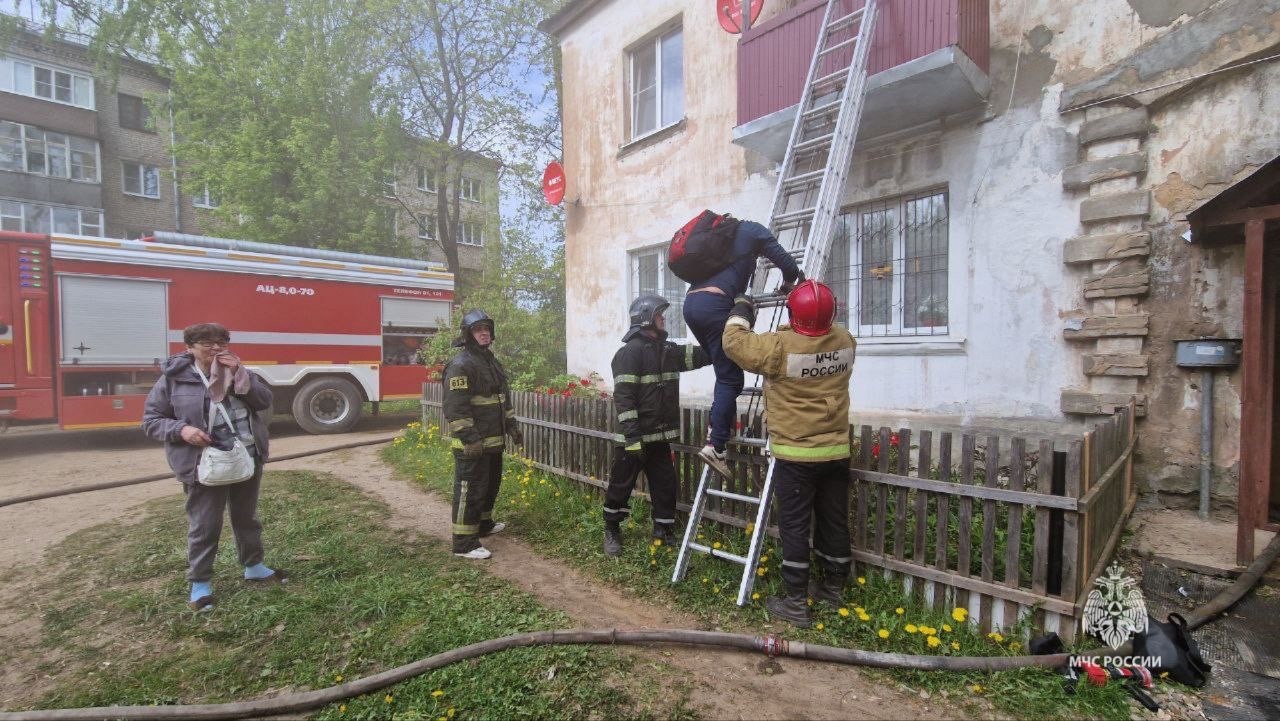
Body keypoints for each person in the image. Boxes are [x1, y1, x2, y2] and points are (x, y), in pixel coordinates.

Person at [721, 280, 856, 627]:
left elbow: (734, 343)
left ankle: (796, 601)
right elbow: (816, 342)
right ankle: (833, 588)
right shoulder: (845, 342)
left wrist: (741, 310)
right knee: (833, 520)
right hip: (836, 452)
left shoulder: (779, 347)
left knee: (796, 526)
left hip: (796, 455)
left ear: (795, 314)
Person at [142, 322, 280, 612]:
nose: (216, 348)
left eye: (222, 342)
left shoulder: (238, 371)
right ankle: (200, 584)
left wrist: (242, 375)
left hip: (245, 455)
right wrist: (182, 431)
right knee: (205, 523)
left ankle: (254, 566)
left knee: (246, 517)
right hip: (203, 461)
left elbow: (265, 402)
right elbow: (152, 420)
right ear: (190, 347)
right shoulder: (174, 379)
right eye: (207, 343)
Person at [683, 217, 803, 478]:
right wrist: (789, 284)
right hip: (715, 306)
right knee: (731, 379)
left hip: (692, 306)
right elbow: (788, 265)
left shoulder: (718, 240)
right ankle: (716, 445)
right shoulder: (754, 230)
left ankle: (716, 430)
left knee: (723, 371)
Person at [603, 295, 711, 556]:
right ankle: (611, 529)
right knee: (621, 484)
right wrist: (632, 438)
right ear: (647, 318)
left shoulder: (669, 351)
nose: (664, 318)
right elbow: (624, 398)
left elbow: (702, 356)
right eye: (660, 315)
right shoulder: (629, 353)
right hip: (634, 439)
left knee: (665, 485)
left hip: (659, 438)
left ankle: (663, 532)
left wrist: (725, 337)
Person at [443, 309, 522, 559]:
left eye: (487, 328)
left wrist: (512, 426)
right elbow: (456, 409)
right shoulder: (461, 365)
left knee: (490, 485)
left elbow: (502, 399)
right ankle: (464, 543)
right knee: (471, 489)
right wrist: (470, 439)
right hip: (474, 444)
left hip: (493, 442)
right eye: (478, 329)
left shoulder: (490, 361)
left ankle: (484, 524)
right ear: (468, 334)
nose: (484, 333)